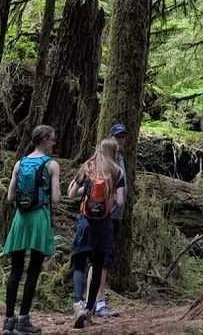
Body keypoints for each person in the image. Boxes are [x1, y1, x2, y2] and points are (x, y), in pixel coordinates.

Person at [2, 124, 60, 334]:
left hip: (20, 218)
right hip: (39, 218)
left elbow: (10, 197)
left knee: (15, 270)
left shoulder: (20, 163)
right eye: (52, 139)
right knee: (33, 270)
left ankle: (8, 321)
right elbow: (56, 198)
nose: (54, 142)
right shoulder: (51, 165)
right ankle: (23, 320)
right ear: (44, 140)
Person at [67, 137, 125, 329]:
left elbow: (71, 194)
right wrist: (108, 205)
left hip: (85, 222)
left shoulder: (88, 166)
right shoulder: (117, 171)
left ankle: (78, 303)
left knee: (79, 264)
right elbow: (120, 201)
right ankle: (90, 309)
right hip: (104, 225)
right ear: (114, 153)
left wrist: (86, 190)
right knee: (97, 266)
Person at [88, 122, 128, 318]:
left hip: (112, 216)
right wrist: (109, 208)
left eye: (123, 137)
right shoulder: (103, 161)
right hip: (105, 217)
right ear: (111, 138)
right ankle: (98, 302)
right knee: (100, 261)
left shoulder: (120, 160)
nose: (120, 140)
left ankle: (91, 302)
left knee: (101, 260)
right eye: (117, 136)